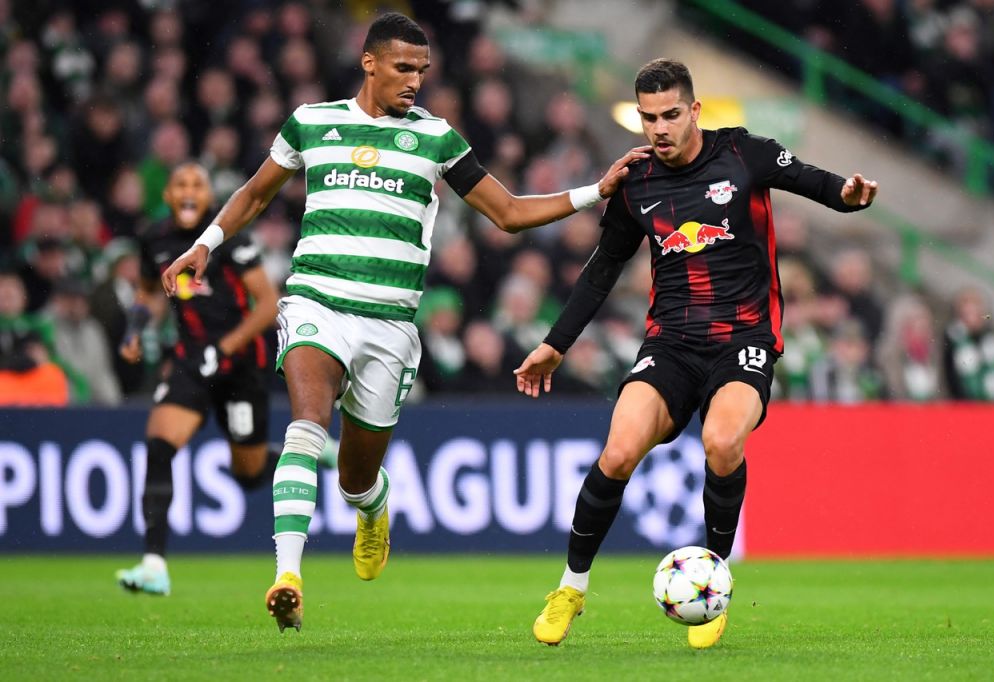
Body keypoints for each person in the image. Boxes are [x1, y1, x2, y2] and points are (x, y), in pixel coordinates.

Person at [158, 12, 648, 632]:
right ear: (369, 63)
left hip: (388, 324)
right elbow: (255, 193)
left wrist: (594, 191)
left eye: (423, 69)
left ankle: (372, 504)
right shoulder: (312, 122)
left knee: (354, 477)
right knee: (306, 424)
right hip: (316, 301)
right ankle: (288, 576)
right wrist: (205, 244)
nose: (415, 80)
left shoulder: (437, 138)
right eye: (403, 67)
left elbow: (508, 212)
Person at [514, 58, 879, 649]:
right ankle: (570, 588)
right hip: (672, 343)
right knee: (618, 451)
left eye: (670, 115)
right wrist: (555, 344)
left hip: (745, 339)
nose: (659, 128)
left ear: (695, 110)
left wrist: (849, 195)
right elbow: (603, 269)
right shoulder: (635, 182)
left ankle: (714, 584)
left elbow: (820, 183)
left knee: (722, 441)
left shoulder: (743, 153)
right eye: (648, 117)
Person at [115, 163, 327, 595]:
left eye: (197, 184)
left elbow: (268, 306)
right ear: (168, 196)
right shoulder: (154, 239)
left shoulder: (231, 239)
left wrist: (223, 349)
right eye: (180, 184)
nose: (189, 191)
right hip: (191, 362)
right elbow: (150, 292)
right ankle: (154, 565)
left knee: (247, 474)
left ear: (208, 196)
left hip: (242, 367)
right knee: (159, 446)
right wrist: (136, 329)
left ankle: (315, 454)